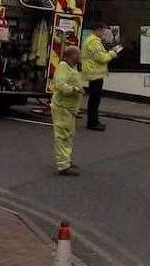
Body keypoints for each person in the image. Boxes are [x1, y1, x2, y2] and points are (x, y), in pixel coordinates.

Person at [51, 46, 85, 176]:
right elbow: (60, 85)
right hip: (62, 107)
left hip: (69, 109)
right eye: (78, 55)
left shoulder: (72, 67)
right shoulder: (63, 67)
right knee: (62, 136)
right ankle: (63, 166)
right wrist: (75, 90)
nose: (80, 57)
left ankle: (67, 160)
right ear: (71, 56)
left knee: (68, 136)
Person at [82, 22, 120, 131]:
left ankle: (94, 121)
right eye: (103, 30)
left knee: (94, 99)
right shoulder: (93, 42)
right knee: (94, 100)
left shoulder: (93, 40)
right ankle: (93, 123)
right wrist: (113, 53)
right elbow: (101, 58)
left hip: (95, 73)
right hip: (95, 74)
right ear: (98, 30)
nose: (104, 33)